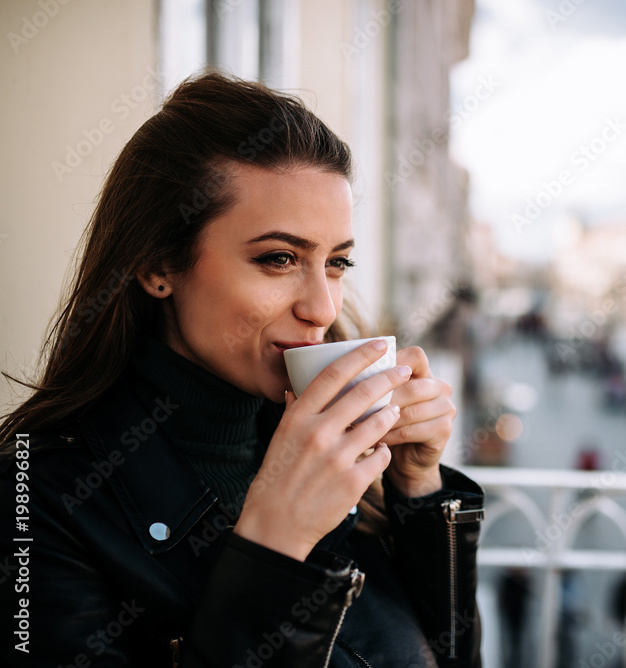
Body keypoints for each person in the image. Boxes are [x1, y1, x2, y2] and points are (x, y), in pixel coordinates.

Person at [0, 72, 483, 667]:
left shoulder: (336, 451)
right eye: (279, 259)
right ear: (158, 265)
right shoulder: (34, 496)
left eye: (336, 263)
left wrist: (418, 492)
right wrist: (275, 547)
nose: (322, 308)